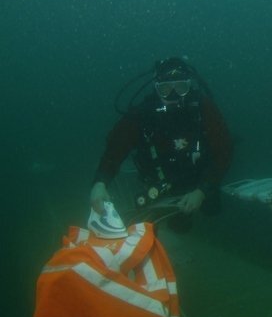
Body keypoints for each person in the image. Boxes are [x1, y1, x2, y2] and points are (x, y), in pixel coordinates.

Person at [90, 57, 233, 231]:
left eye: (181, 88)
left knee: (212, 212)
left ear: (189, 86)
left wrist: (202, 190)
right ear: (156, 89)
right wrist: (100, 182)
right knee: (177, 226)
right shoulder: (142, 114)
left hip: (200, 179)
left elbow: (223, 151)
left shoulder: (203, 109)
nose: (173, 95)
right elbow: (115, 149)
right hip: (160, 183)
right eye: (166, 89)